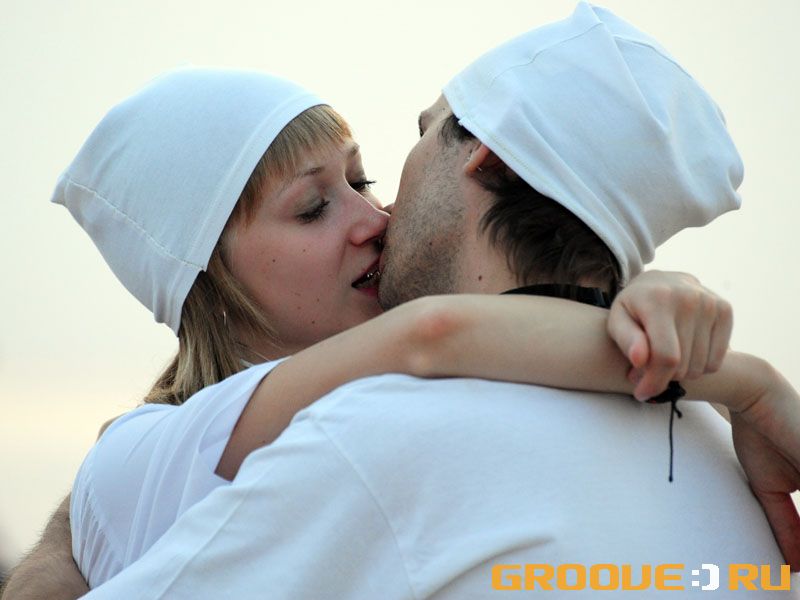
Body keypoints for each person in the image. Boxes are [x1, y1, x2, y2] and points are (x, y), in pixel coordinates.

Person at [59, 3, 799, 599]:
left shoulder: (371, 438)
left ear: (487, 158)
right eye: (313, 208)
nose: (374, 217)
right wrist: (739, 378)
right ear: (209, 286)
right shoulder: (716, 450)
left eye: (367, 178)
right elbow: (434, 334)